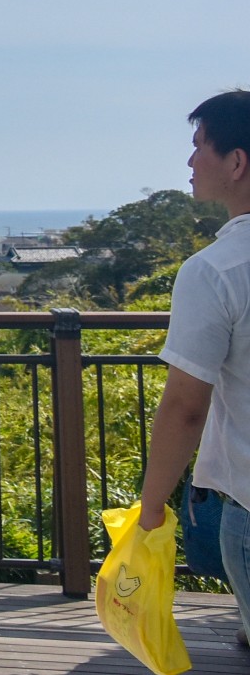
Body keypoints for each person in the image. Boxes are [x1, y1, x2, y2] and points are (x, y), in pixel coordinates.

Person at [138, 90, 250, 643]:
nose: (189, 161)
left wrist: (152, 508)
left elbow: (185, 407)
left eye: (198, 146)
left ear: (236, 162)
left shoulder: (218, 270)